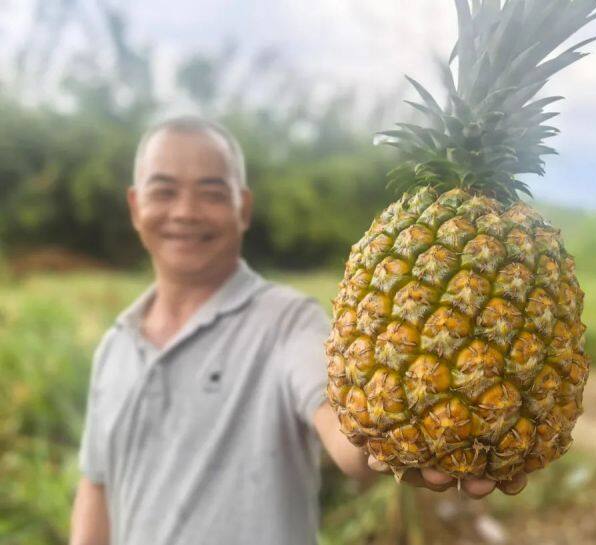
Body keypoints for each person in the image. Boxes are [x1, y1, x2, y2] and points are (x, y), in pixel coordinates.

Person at [70, 116, 527, 545]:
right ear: (135, 206)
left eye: (212, 192)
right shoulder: (115, 344)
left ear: (243, 208)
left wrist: (391, 433)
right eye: (164, 191)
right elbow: (97, 485)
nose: (186, 211)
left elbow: (339, 424)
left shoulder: (287, 320)